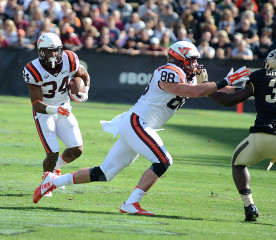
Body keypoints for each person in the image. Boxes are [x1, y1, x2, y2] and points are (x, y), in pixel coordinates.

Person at [33, 41, 250, 215]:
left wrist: (249, 88)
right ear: (179, 58)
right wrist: (221, 81)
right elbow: (192, 92)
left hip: (141, 126)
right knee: (163, 160)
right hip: (137, 123)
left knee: (104, 173)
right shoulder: (169, 70)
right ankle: (131, 203)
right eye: (191, 59)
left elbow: (221, 97)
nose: (195, 64)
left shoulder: (189, 77)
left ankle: (51, 182)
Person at [208, 48, 276, 221]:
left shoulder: (260, 76)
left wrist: (206, 88)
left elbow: (229, 100)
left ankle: (249, 205)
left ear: (272, 63)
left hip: (260, 139)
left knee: (238, 163)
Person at [23, 32, 90, 197]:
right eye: (49, 51)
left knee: (76, 149)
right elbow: (36, 104)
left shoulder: (70, 59)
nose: (53, 54)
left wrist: (85, 91)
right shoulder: (33, 69)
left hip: (64, 107)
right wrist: (55, 110)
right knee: (52, 152)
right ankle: (46, 182)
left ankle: (56, 169)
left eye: (56, 50)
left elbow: (84, 74)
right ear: (40, 52)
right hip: (45, 112)